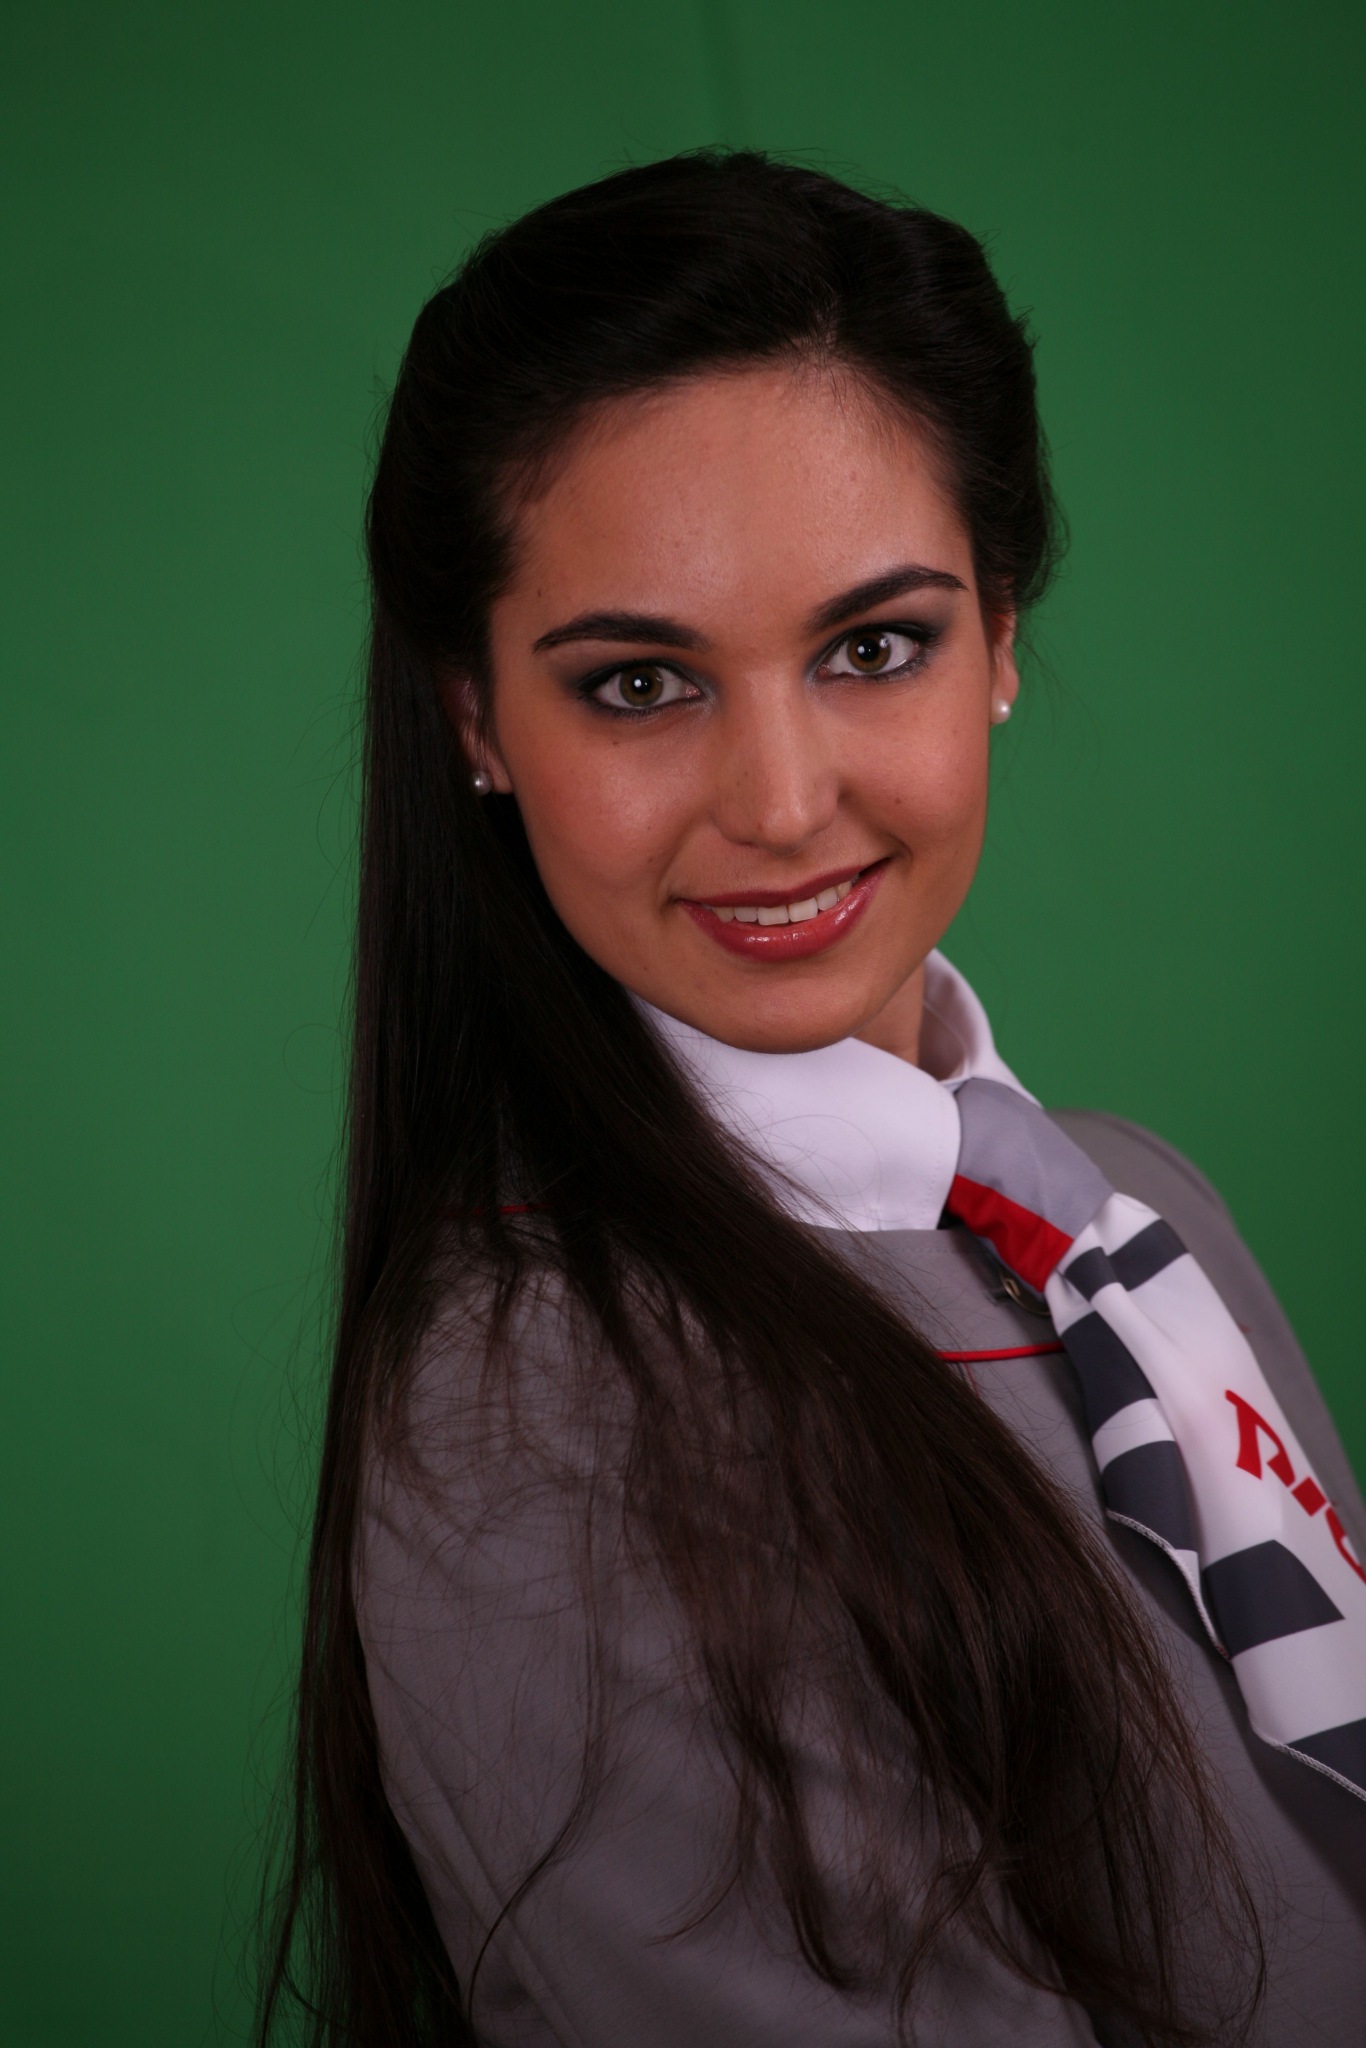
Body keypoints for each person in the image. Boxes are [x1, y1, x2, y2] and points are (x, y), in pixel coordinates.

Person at [258, 152, 1366, 2048]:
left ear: (998, 636)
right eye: (637, 684)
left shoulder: (1132, 1210)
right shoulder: (539, 1402)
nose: (779, 804)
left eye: (872, 648)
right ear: (474, 720)